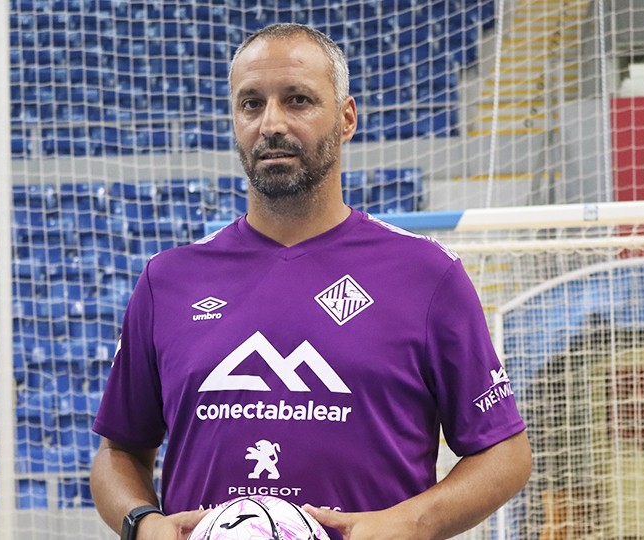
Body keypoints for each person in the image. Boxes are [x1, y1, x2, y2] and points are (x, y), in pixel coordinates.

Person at [90, 23, 531, 540]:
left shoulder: (428, 274)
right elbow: (119, 451)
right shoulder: (168, 280)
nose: (270, 123)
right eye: (251, 104)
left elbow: (505, 451)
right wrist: (142, 525)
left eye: (297, 100)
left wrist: (411, 521)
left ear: (346, 119)